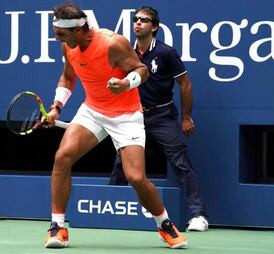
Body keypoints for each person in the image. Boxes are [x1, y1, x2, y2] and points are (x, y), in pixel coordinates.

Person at [43, 3, 187, 249]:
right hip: (93, 111)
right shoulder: (69, 46)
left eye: (61, 34)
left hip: (126, 115)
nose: (57, 38)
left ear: (78, 29)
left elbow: (142, 70)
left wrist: (126, 84)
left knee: (136, 178)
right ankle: (58, 228)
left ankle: (164, 224)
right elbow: (68, 77)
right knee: (62, 157)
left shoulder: (112, 43)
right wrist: (57, 106)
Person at [109, 6, 209, 232]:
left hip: (162, 115)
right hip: (133, 116)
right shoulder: (126, 52)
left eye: (143, 20)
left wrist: (186, 117)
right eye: (135, 20)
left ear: (154, 27)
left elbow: (185, 83)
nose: (137, 23)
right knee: (121, 165)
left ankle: (198, 216)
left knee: (181, 163)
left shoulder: (166, 53)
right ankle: (109, 210)